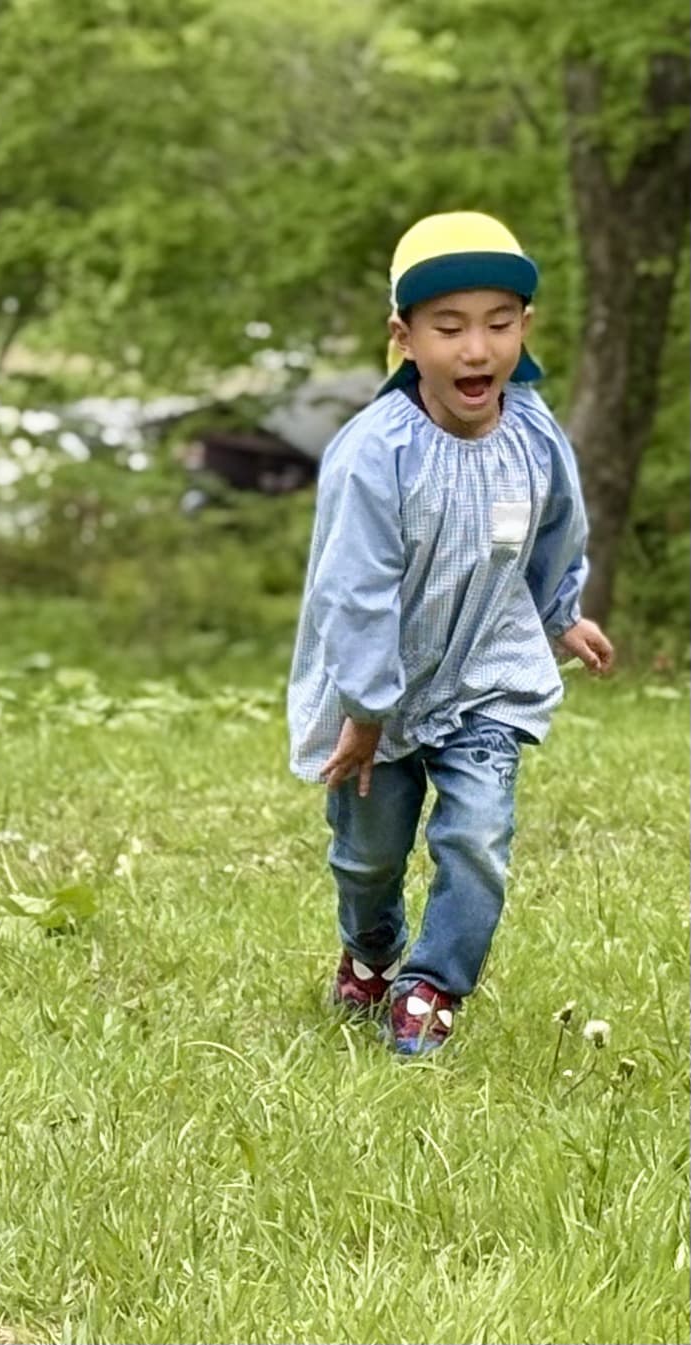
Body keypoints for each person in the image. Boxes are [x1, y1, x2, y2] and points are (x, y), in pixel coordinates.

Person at [287, 211, 615, 1055]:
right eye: (450, 327)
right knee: (368, 853)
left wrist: (559, 612)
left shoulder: (533, 432)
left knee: (474, 834)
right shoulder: (374, 454)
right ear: (403, 338)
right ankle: (369, 951)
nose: (477, 349)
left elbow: (553, 532)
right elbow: (352, 593)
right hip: (380, 686)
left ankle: (432, 983)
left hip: (485, 669)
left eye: (499, 324)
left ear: (524, 328)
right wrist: (364, 709)